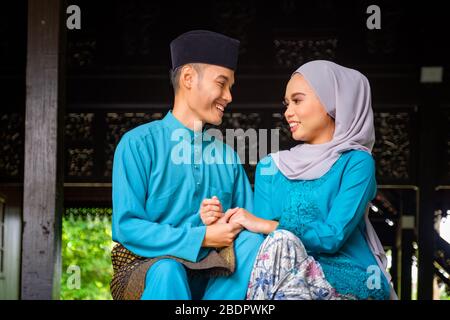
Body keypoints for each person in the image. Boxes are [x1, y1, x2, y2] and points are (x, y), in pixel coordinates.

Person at [202, 60, 396, 300]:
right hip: (278, 271)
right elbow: (260, 244)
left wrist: (267, 225)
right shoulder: (270, 167)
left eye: (297, 100)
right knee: (271, 249)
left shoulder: (356, 162)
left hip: (344, 273)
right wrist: (223, 220)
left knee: (279, 241)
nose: (287, 112)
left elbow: (332, 236)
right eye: (286, 103)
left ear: (331, 101)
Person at [111, 30, 264, 300]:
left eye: (231, 87)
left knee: (253, 243)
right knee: (169, 271)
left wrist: (225, 224)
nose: (228, 96)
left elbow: (247, 222)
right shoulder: (138, 144)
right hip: (149, 269)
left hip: (214, 274)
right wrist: (201, 237)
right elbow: (127, 226)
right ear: (188, 78)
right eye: (222, 83)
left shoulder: (226, 156)